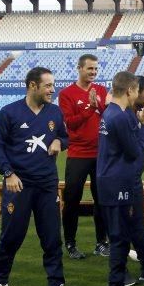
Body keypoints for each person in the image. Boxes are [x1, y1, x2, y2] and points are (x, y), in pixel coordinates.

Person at [0, 67, 68, 286]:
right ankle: (0, 284)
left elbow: (65, 137)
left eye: (53, 85)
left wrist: (59, 141)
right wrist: (8, 173)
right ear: (33, 86)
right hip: (18, 184)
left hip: (46, 185)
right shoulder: (9, 112)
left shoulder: (55, 112)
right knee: (10, 237)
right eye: (48, 85)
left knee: (51, 237)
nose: (53, 90)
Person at [97, 71, 144, 286]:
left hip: (109, 180)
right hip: (119, 183)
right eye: (137, 90)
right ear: (129, 91)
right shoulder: (121, 117)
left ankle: (120, 285)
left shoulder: (110, 112)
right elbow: (135, 151)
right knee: (120, 239)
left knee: (122, 235)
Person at [58, 53, 109, 259]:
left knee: (101, 200)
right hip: (78, 154)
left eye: (96, 69)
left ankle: (101, 243)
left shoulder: (102, 90)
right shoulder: (67, 94)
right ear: (79, 68)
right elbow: (69, 123)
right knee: (72, 200)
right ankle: (70, 243)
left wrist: (100, 106)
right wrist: (91, 109)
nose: (93, 72)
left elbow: (109, 115)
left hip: (101, 154)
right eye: (90, 69)